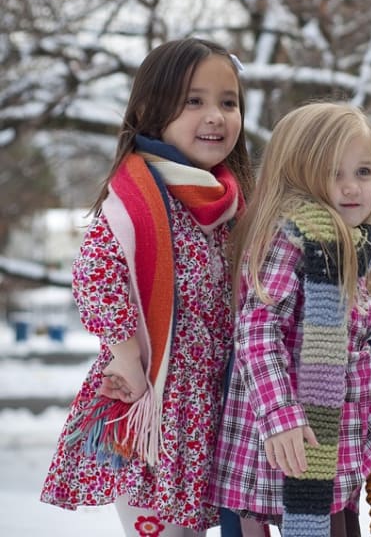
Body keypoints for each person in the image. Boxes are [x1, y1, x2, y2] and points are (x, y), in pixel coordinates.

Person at [40, 37, 254, 536]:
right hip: (153, 402)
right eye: (194, 101)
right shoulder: (136, 199)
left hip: (214, 403)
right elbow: (96, 274)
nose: (216, 116)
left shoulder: (233, 205)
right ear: (153, 112)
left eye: (228, 102)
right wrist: (124, 355)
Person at [207, 101, 371, 537]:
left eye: (363, 172)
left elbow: (349, 351)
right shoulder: (293, 239)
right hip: (286, 447)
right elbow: (257, 330)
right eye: (334, 173)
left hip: (329, 447)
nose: (351, 187)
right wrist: (281, 414)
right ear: (299, 175)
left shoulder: (347, 246)